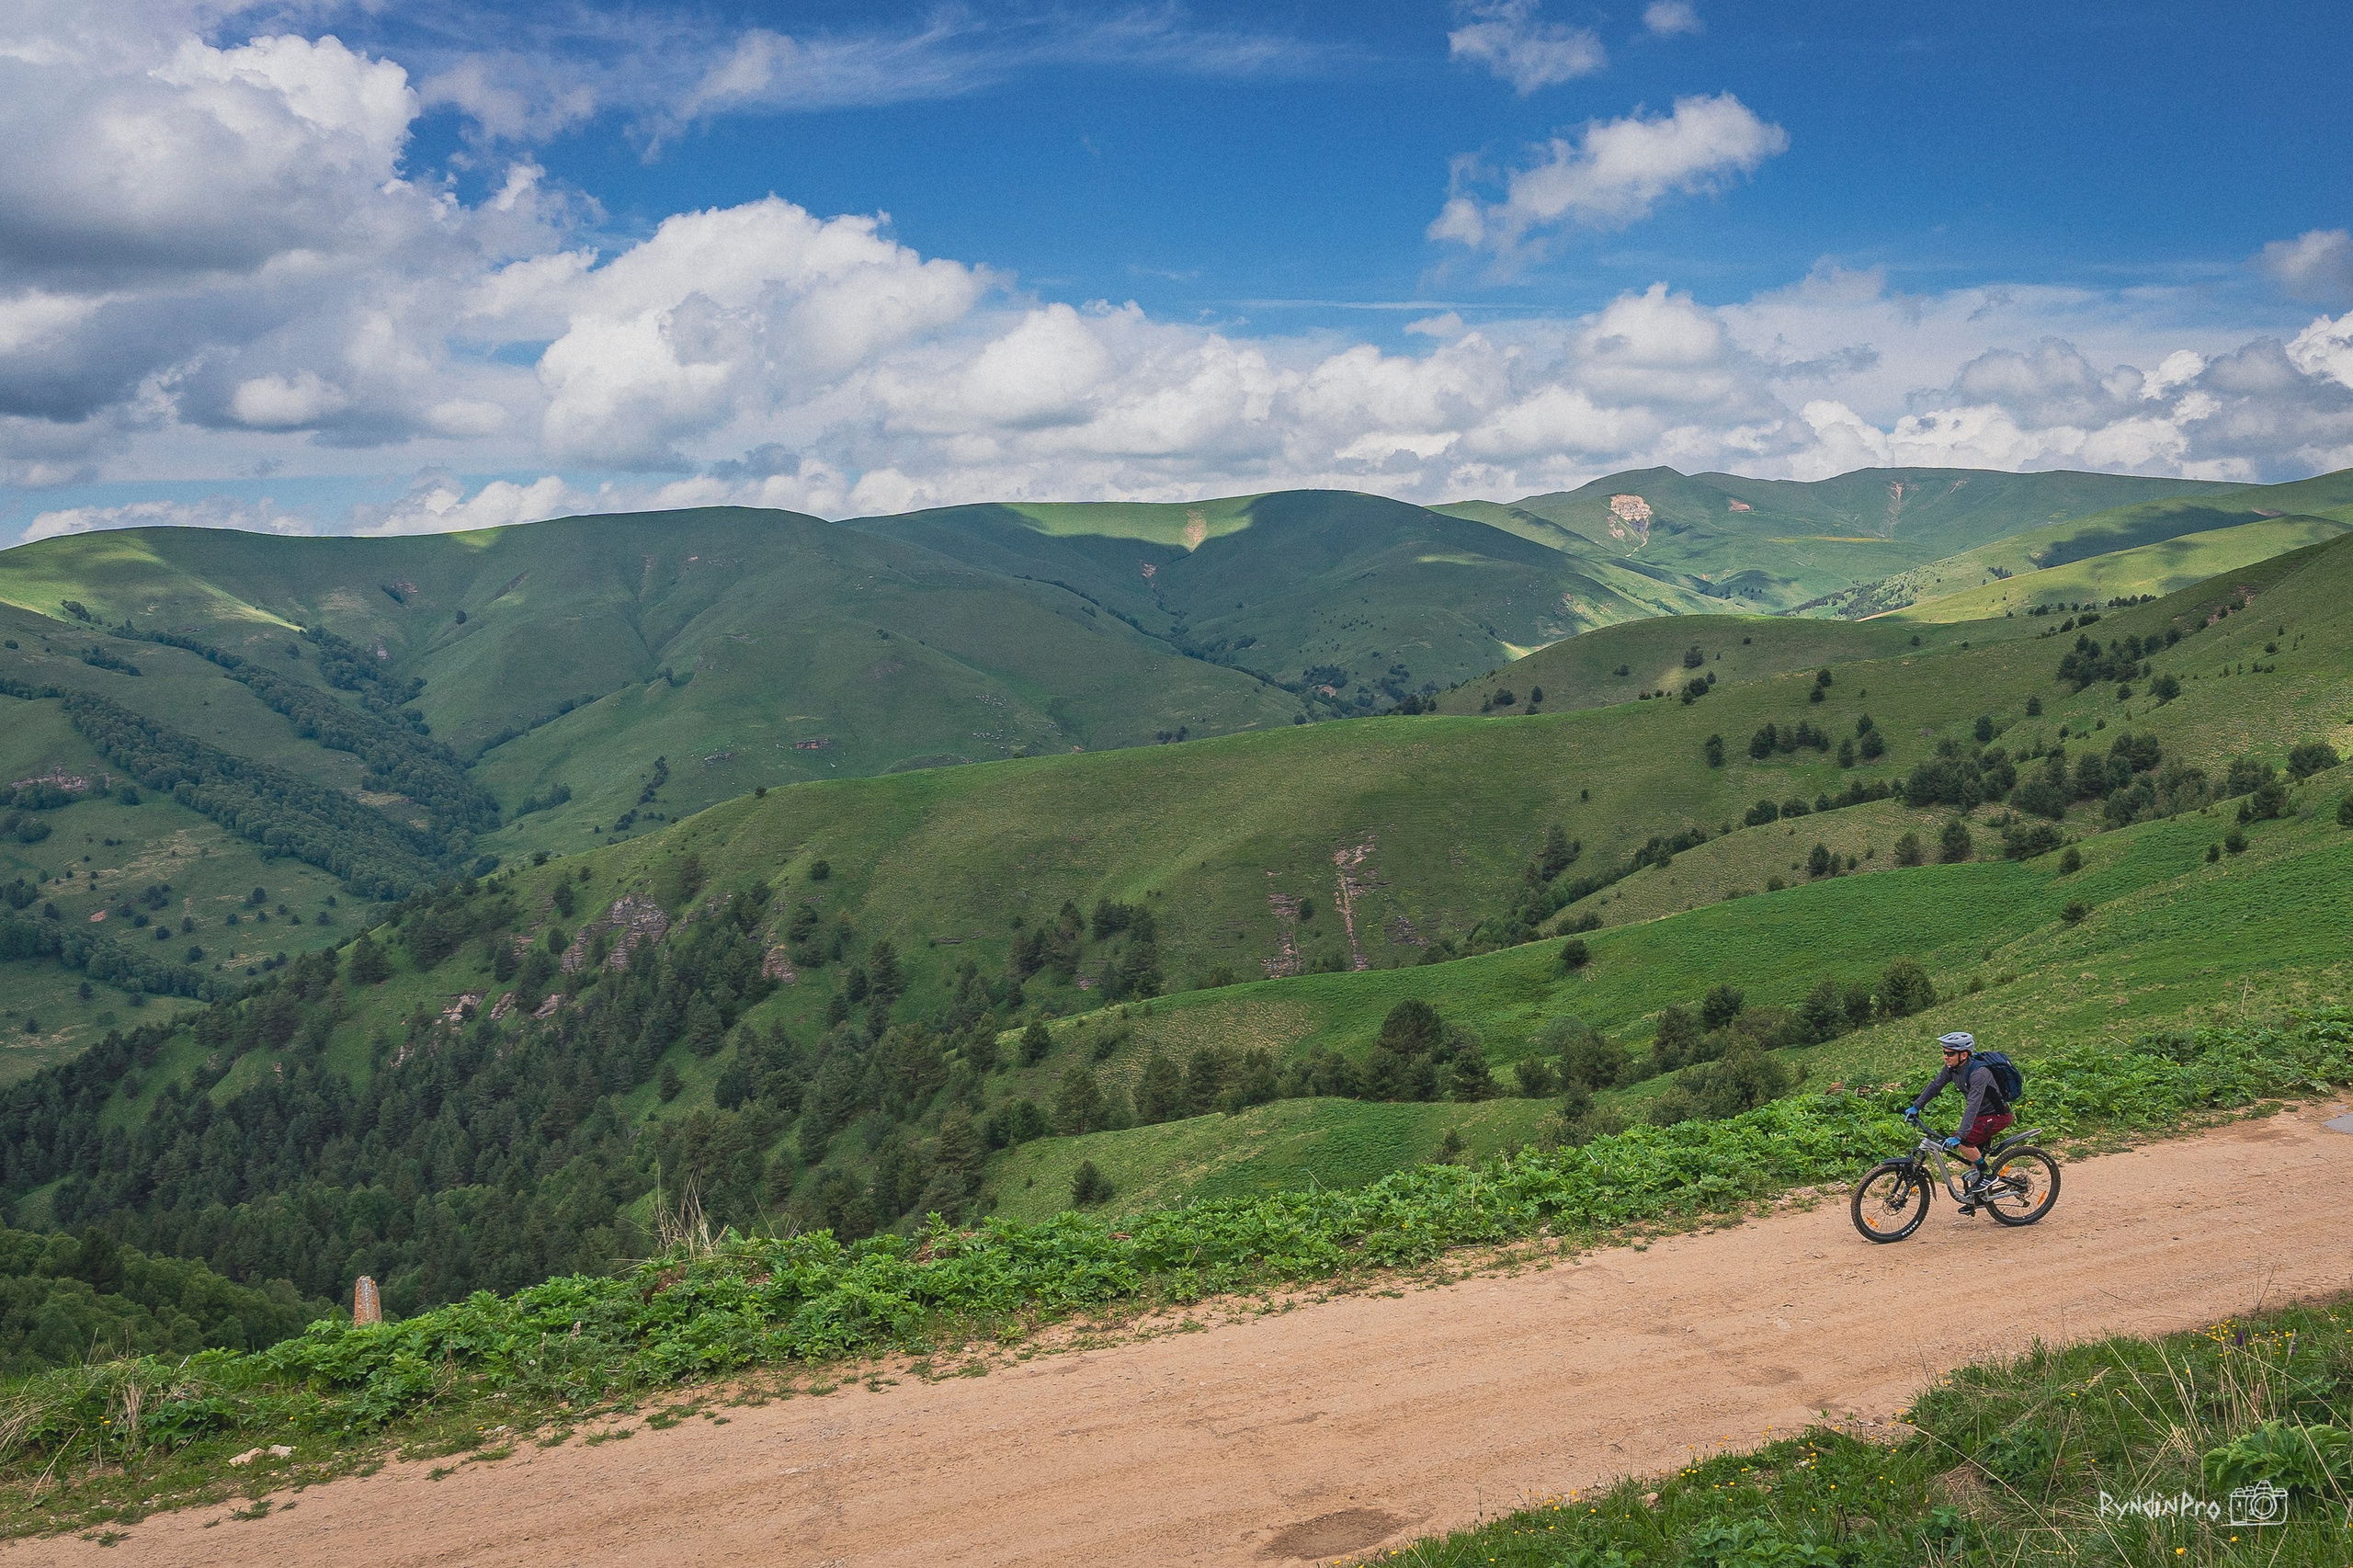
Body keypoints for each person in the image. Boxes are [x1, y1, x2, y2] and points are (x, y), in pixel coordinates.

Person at [1904, 1030, 2011, 1203]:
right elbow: (1935, 1086)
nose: (1945, 1057)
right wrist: (1916, 1106)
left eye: (1950, 1053)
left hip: (1997, 1116)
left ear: (1964, 1054)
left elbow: (1972, 1107)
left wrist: (1960, 1136)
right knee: (1971, 1151)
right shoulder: (1952, 1069)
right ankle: (1976, 1198)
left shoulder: (1979, 1073)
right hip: (1981, 1115)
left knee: (1963, 1142)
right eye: (1944, 1052)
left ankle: (1989, 1175)